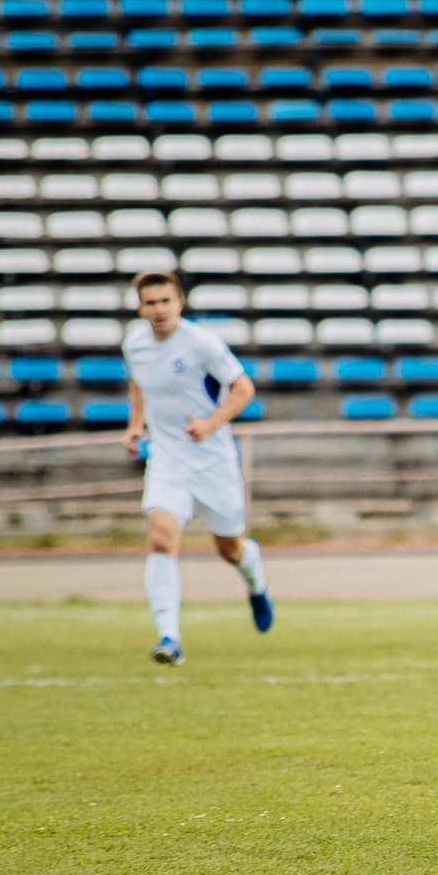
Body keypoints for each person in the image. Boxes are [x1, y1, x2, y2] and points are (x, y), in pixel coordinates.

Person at [119, 271, 274, 665]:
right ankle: (169, 637)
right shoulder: (134, 344)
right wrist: (136, 425)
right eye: (151, 303)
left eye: (165, 301)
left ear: (179, 303)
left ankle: (255, 580)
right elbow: (138, 383)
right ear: (140, 308)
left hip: (213, 460)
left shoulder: (202, 343)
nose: (159, 309)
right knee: (161, 537)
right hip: (167, 457)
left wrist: (211, 423)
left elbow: (243, 388)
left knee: (230, 549)